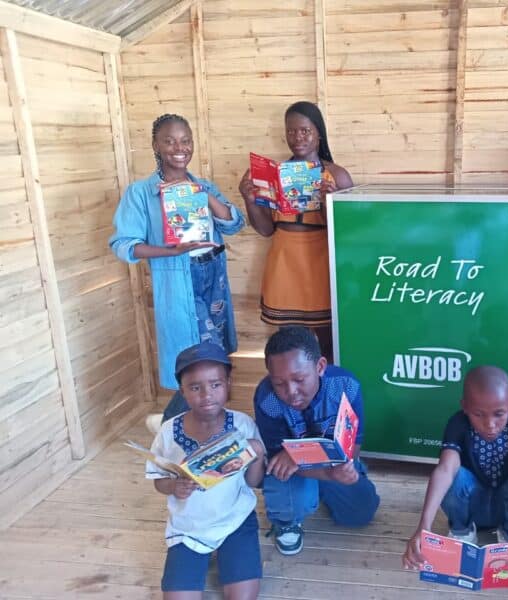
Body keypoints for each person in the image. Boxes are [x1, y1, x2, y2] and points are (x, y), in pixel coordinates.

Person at [109, 114, 245, 428]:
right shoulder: (141, 193)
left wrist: (199, 192)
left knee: (215, 354)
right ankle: (173, 423)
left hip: (213, 278)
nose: (178, 148)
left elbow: (234, 223)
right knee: (198, 357)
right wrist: (170, 251)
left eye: (185, 140)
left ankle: (188, 423)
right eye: (169, 141)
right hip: (179, 281)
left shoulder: (203, 185)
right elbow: (124, 245)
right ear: (155, 145)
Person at [402, 366, 508, 580]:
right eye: (478, 414)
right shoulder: (458, 423)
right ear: (465, 407)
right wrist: (423, 528)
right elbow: (445, 469)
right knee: (453, 475)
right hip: (473, 507)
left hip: (507, 510)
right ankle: (462, 531)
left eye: (498, 414)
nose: (490, 424)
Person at [146, 343, 266, 599]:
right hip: (188, 528)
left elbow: (254, 482)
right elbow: (158, 480)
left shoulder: (243, 425)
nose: (207, 395)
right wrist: (174, 487)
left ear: (228, 384)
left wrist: (257, 454)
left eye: (215, 384)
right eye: (195, 387)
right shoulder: (168, 431)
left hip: (235, 520)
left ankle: (228, 555)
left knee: (243, 597)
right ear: (182, 391)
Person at [239, 101, 353, 361]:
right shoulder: (272, 175)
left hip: (321, 264)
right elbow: (266, 229)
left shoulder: (337, 176)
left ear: (318, 133)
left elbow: (348, 234)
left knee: (328, 343)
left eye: (305, 131)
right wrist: (248, 198)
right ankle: (294, 398)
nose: (297, 137)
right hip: (284, 262)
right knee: (289, 343)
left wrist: (329, 204)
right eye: (291, 131)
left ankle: (328, 395)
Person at [253, 325, 380, 556]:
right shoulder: (267, 399)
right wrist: (322, 470)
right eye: (279, 383)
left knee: (361, 512)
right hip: (293, 471)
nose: (290, 391)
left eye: (299, 379)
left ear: (320, 367)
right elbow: (277, 461)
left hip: (332, 461)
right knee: (287, 486)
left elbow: (354, 445)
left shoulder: (347, 386)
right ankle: (285, 520)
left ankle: (329, 485)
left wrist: (314, 461)